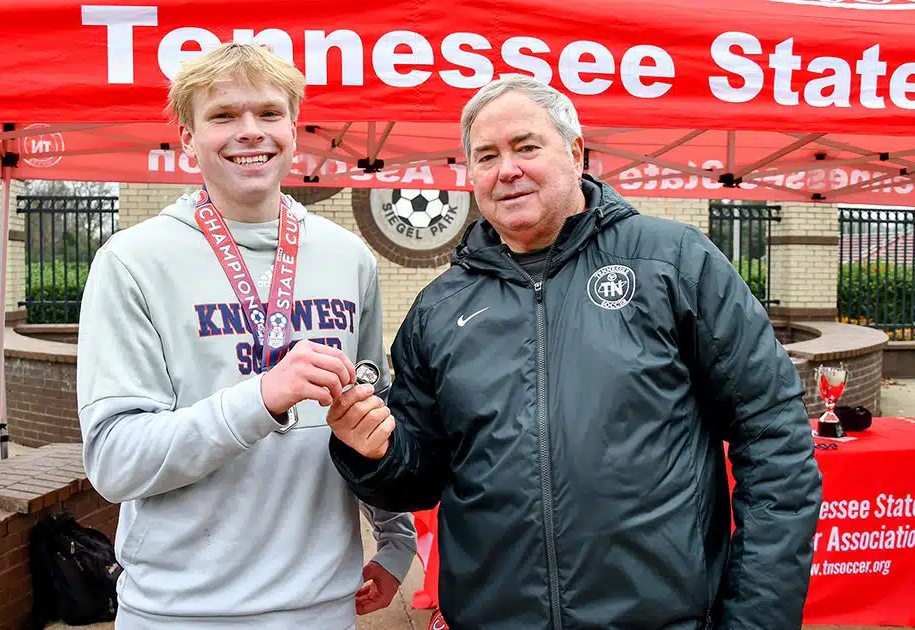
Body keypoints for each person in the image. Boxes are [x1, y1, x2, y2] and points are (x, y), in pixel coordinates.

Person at [326, 75, 823, 629]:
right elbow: (417, 478)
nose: (506, 169)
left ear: (576, 152)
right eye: (486, 155)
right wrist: (370, 452)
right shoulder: (439, 309)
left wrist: (757, 619)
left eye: (526, 146)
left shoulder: (673, 264)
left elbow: (774, 436)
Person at [76, 42, 416, 629]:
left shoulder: (349, 258)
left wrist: (394, 538)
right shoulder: (132, 262)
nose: (250, 132)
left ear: (294, 128)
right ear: (188, 138)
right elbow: (113, 462)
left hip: (323, 608)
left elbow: (370, 411)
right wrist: (258, 399)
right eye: (223, 115)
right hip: (181, 611)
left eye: (269, 113)